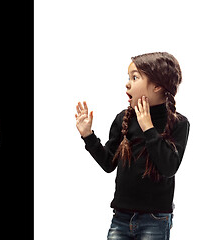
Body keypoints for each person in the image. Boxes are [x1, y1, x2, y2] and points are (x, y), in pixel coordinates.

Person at [75, 52, 190, 239]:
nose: (127, 83)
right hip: (121, 217)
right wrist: (88, 135)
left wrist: (148, 128)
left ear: (158, 85)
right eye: (128, 77)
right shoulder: (123, 119)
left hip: (155, 219)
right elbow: (108, 164)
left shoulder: (179, 123)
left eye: (134, 77)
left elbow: (169, 167)